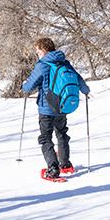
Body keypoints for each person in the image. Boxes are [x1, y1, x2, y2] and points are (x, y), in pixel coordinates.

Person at [21, 38, 90, 180]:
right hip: (61, 107)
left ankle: (53, 168)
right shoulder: (64, 62)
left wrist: (24, 86)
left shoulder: (42, 65)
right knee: (62, 133)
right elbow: (78, 79)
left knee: (46, 138)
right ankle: (65, 163)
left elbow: (29, 87)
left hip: (46, 109)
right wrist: (85, 90)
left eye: (38, 51)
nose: (37, 54)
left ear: (44, 50)